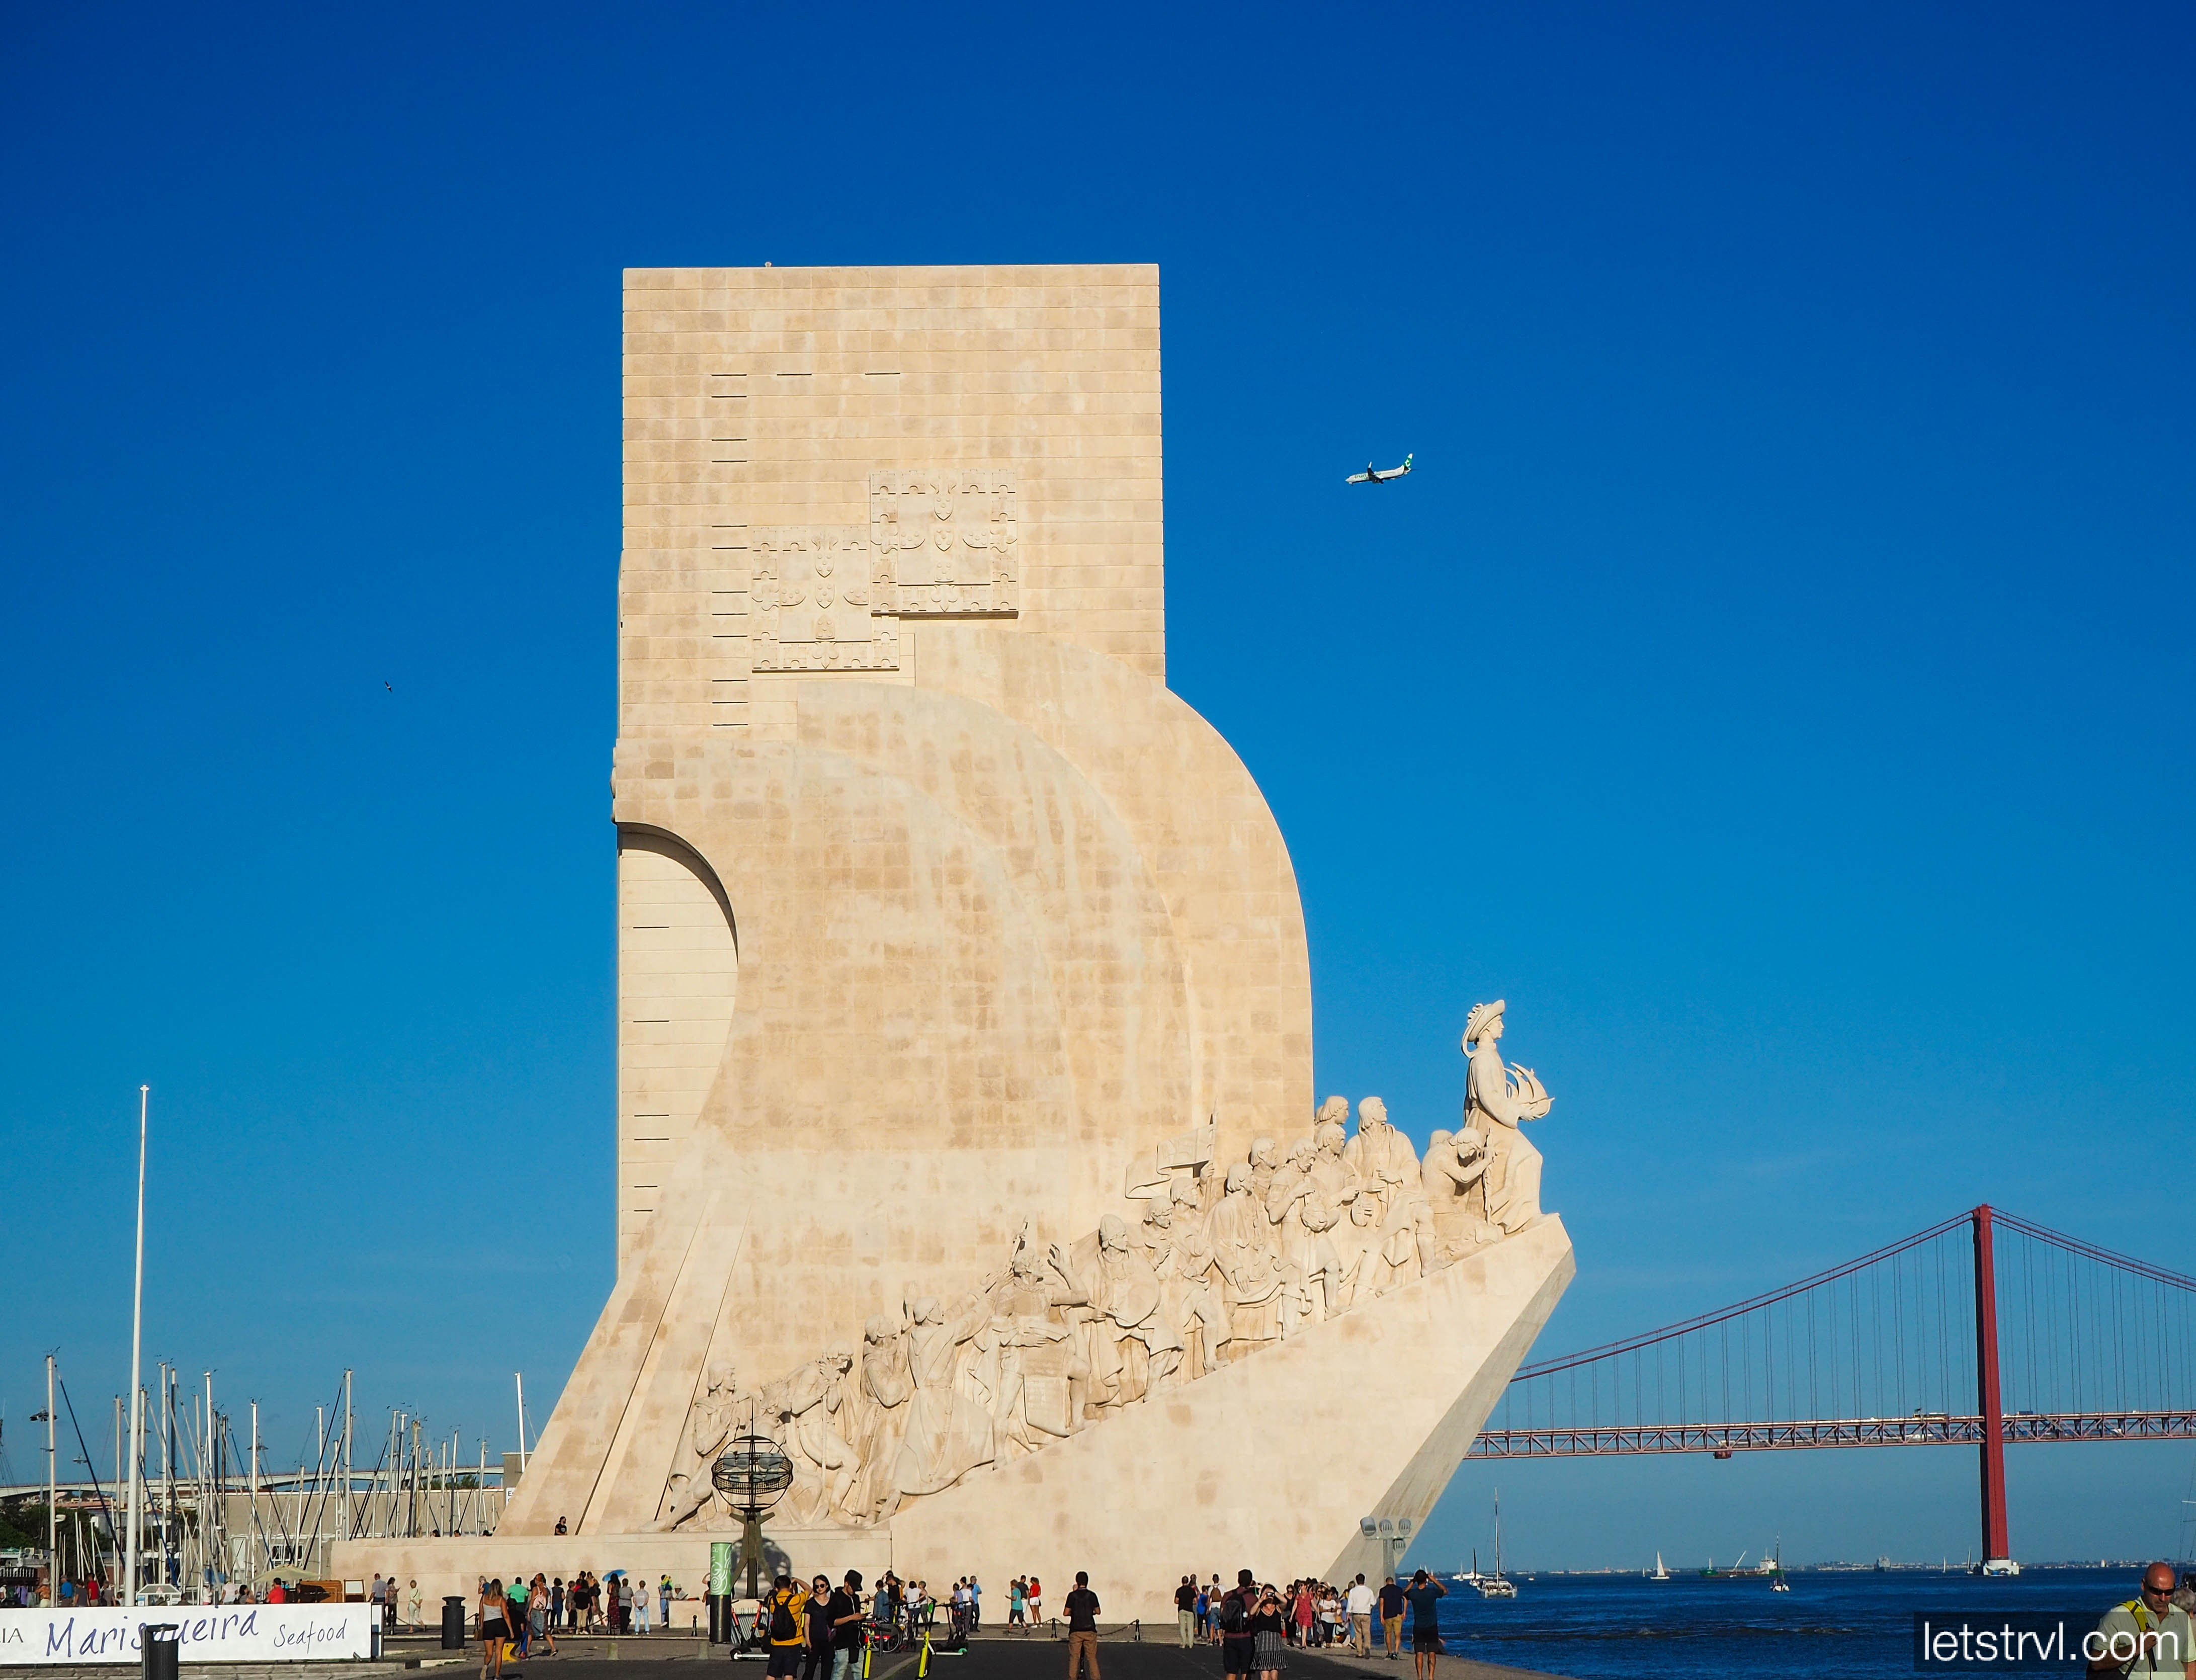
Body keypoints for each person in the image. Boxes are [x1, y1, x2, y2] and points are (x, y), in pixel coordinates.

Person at [2088, 1562, 2196, 1679]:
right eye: (2157, 1591)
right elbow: (2096, 1661)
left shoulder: (2182, 1618)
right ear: (2143, 1585)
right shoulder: (2119, 1616)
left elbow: (2189, 1666)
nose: (2163, 1598)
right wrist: (2136, 1648)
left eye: (2169, 1592)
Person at [1402, 1570, 1447, 1680]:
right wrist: (1434, 1580)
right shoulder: (1431, 1592)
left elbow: (1404, 1593)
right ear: (1426, 1580)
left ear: (1417, 1581)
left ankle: (1420, 1677)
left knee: (1419, 1653)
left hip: (1419, 1627)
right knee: (1432, 1653)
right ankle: (1431, 1677)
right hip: (1432, 1626)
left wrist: (1413, 1581)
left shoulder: (1413, 1594)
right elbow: (1445, 1591)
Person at [765, 1574, 808, 1678]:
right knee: (789, 1674)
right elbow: (809, 1590)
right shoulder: (796, 1600)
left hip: (776, 1643)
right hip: (794, 1643)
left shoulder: (772, 1602)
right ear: (790, 1586)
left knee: (772, 1674)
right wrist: (797, 1580)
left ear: (776, 1588)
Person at [827, 1571, 866, 1680]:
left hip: (857, 1642)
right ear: (846, 1583)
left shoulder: (856, 1598)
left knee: (859, 1673)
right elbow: (832, 1622)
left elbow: (857, 1615)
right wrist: (851, 1617)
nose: (854, 1591)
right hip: (842, 1643)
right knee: (839, 1673)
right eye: (853, 1588)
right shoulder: (836, 1599)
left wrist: (861, 1618)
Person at [1064, 1571, 1102, 1680]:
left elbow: (1066, 1613)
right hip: (1090, 1629)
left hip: (1076, 1630)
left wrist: (1075, 1612)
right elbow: (1098, 1611)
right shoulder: (1092, 1595)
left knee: (1074, 1658)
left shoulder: (1072, 1596)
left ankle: (1072, 1678)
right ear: (1087, 1582)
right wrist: (1091, 1612)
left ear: (1077, 1581)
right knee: (1092, 1658)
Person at [1248, 1586, 1288, 1680]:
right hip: (1263, 1646)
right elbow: (1251, 1612)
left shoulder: (1278, 1608)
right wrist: (1261, 1599)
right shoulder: (1260, 1609)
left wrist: (1273, 1592)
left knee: (1274, 1677)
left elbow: (1285, 1602)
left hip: (1275, 1646)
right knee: (1265, 1676)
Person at [479, 1578, 509, 1680]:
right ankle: (497, 1675)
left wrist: (481, 1626)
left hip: (488, 1625)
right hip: (499, 1625)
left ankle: (486, 1666)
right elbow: (506, 1615)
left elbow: (481, 1614)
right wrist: (511, 1630)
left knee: (489, 1653)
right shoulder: (501, 1600)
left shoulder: (484, 1598)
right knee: (499, 1652)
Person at [1345, 1575, 1374, 1657]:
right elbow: (1373, 1602)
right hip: (1366, 1614)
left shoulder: (1353, 1591)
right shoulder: (1369, 1591)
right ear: (1364, 1581)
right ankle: (1367, 1649)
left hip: (1356, 1614)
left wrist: (1348, 1613)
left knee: (1358, 1633)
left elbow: (1350, 1604)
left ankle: (1360, 1652)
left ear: (1357, 1581)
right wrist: (1369, 1608)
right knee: (1367, 1633)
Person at [1377, 1577, 1405, 1661]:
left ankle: (1390, 1652)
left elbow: (1382, 1604)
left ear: (1386, 1582)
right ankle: (1396, 1652)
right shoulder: (1399, 1589)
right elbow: (1405, 1599)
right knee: (1398, 1634)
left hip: (1387, 1615)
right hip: (1398, 1615)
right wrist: (1405, 1611)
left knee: (1388, 1634)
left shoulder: (1383, 1590)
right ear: (1393, 1582)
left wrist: (1381, 1616)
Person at [1175, 1576, 1199, 1648]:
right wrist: (1191, 1603)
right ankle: (1191, 1644)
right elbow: (1196, 1601)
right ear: (1188, 1582)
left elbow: (1176, 1601)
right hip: (1190, 1610)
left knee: (1182, 1627)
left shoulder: (1179, 1590)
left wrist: (1181, 1602)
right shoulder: (1191, 1590)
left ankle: (1184, 1644)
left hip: (1182, 1610)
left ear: (1182, 1582)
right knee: (1190, 1628)